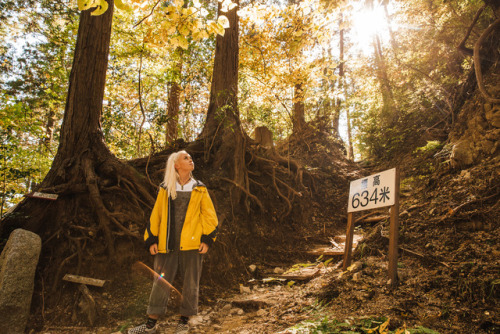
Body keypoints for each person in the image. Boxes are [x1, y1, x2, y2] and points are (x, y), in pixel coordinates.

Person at [128, 150, 218, 334]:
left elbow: (210, 216)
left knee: (191, 282)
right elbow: (157, 214)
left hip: (193, 244)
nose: (190, 159)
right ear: (176, 165)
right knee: (160, 281)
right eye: (186, 158)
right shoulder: (165, 188)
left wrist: (207, 240)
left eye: (191, 157)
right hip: (166, 244)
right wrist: (152, 239)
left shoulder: (199, 188)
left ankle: (183, 323)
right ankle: (150, 325)